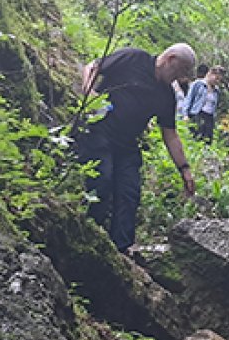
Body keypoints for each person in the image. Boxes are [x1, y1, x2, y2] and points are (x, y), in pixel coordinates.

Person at [77, 44, 197, 252]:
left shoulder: (166, 95)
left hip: (127, 144)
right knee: (101, 181)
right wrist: (90, 94)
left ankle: (121, 251)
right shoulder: (134, 58)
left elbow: (170, 134)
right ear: (170, 58)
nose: (179, 77)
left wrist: (184, 169)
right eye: (180, 71)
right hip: (100, 131)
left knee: (129, 194)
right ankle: (88, 239)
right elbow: (93, 67)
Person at [184, 65, 225, 143]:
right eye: (216, 78)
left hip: (209, 117)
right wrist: (185, 114)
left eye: (219, 80)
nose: (217, 81)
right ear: (210, 74)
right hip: (198, 114)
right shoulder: (198, 84)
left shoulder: (216, 90)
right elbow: (189, 99)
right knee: (196, 137)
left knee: (207, 140)